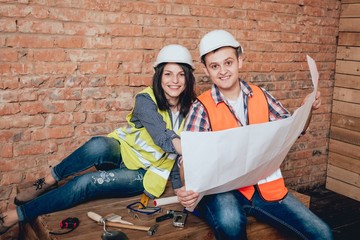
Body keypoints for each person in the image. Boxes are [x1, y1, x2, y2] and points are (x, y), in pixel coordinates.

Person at [0, 44, 196, 235]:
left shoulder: (193, 111)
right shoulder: (146, 99)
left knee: (85, 183)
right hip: (123, 151)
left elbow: (175, 159)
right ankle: (47, 182)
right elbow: (162, 137)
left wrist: (180, 189)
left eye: (181, 74)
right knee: (97, 145)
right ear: (159, 76)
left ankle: (16, 215)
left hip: (143, 173)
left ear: (188, 78)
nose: (175, 81)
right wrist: (194, 149)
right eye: (168, 74)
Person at [175, 30, 333, 240]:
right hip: (224, 192)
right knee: (230, 224)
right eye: (215, 66)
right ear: (206, 70)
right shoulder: (201, 107)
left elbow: (293, 130)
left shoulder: (261, 96)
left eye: (228, 62)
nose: (223, 71)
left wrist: (308, 109)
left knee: (323, 234)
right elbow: (189, 157)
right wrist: (187, 187)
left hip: (266, 187)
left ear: (240, 61)